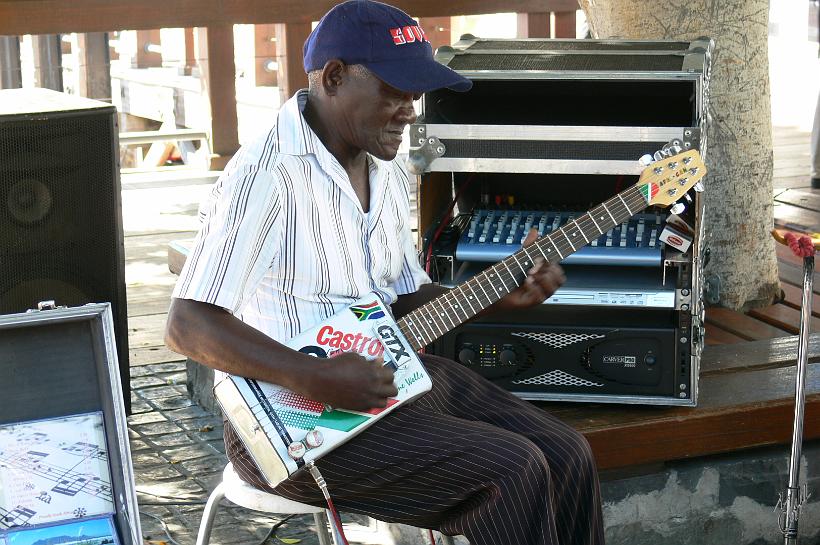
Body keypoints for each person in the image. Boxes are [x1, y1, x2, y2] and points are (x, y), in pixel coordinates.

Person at [165, 1, 604, 544]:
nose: (410, 111)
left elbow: (399, 304)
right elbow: (186, 324)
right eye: (395, 91)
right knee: (513, 472)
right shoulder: (265, 176)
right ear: (333, 77)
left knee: (568, 454)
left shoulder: (387, 165)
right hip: (289, 423)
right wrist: (315, 376)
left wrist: (499, 296)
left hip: (386, 379)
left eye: (415, 95)